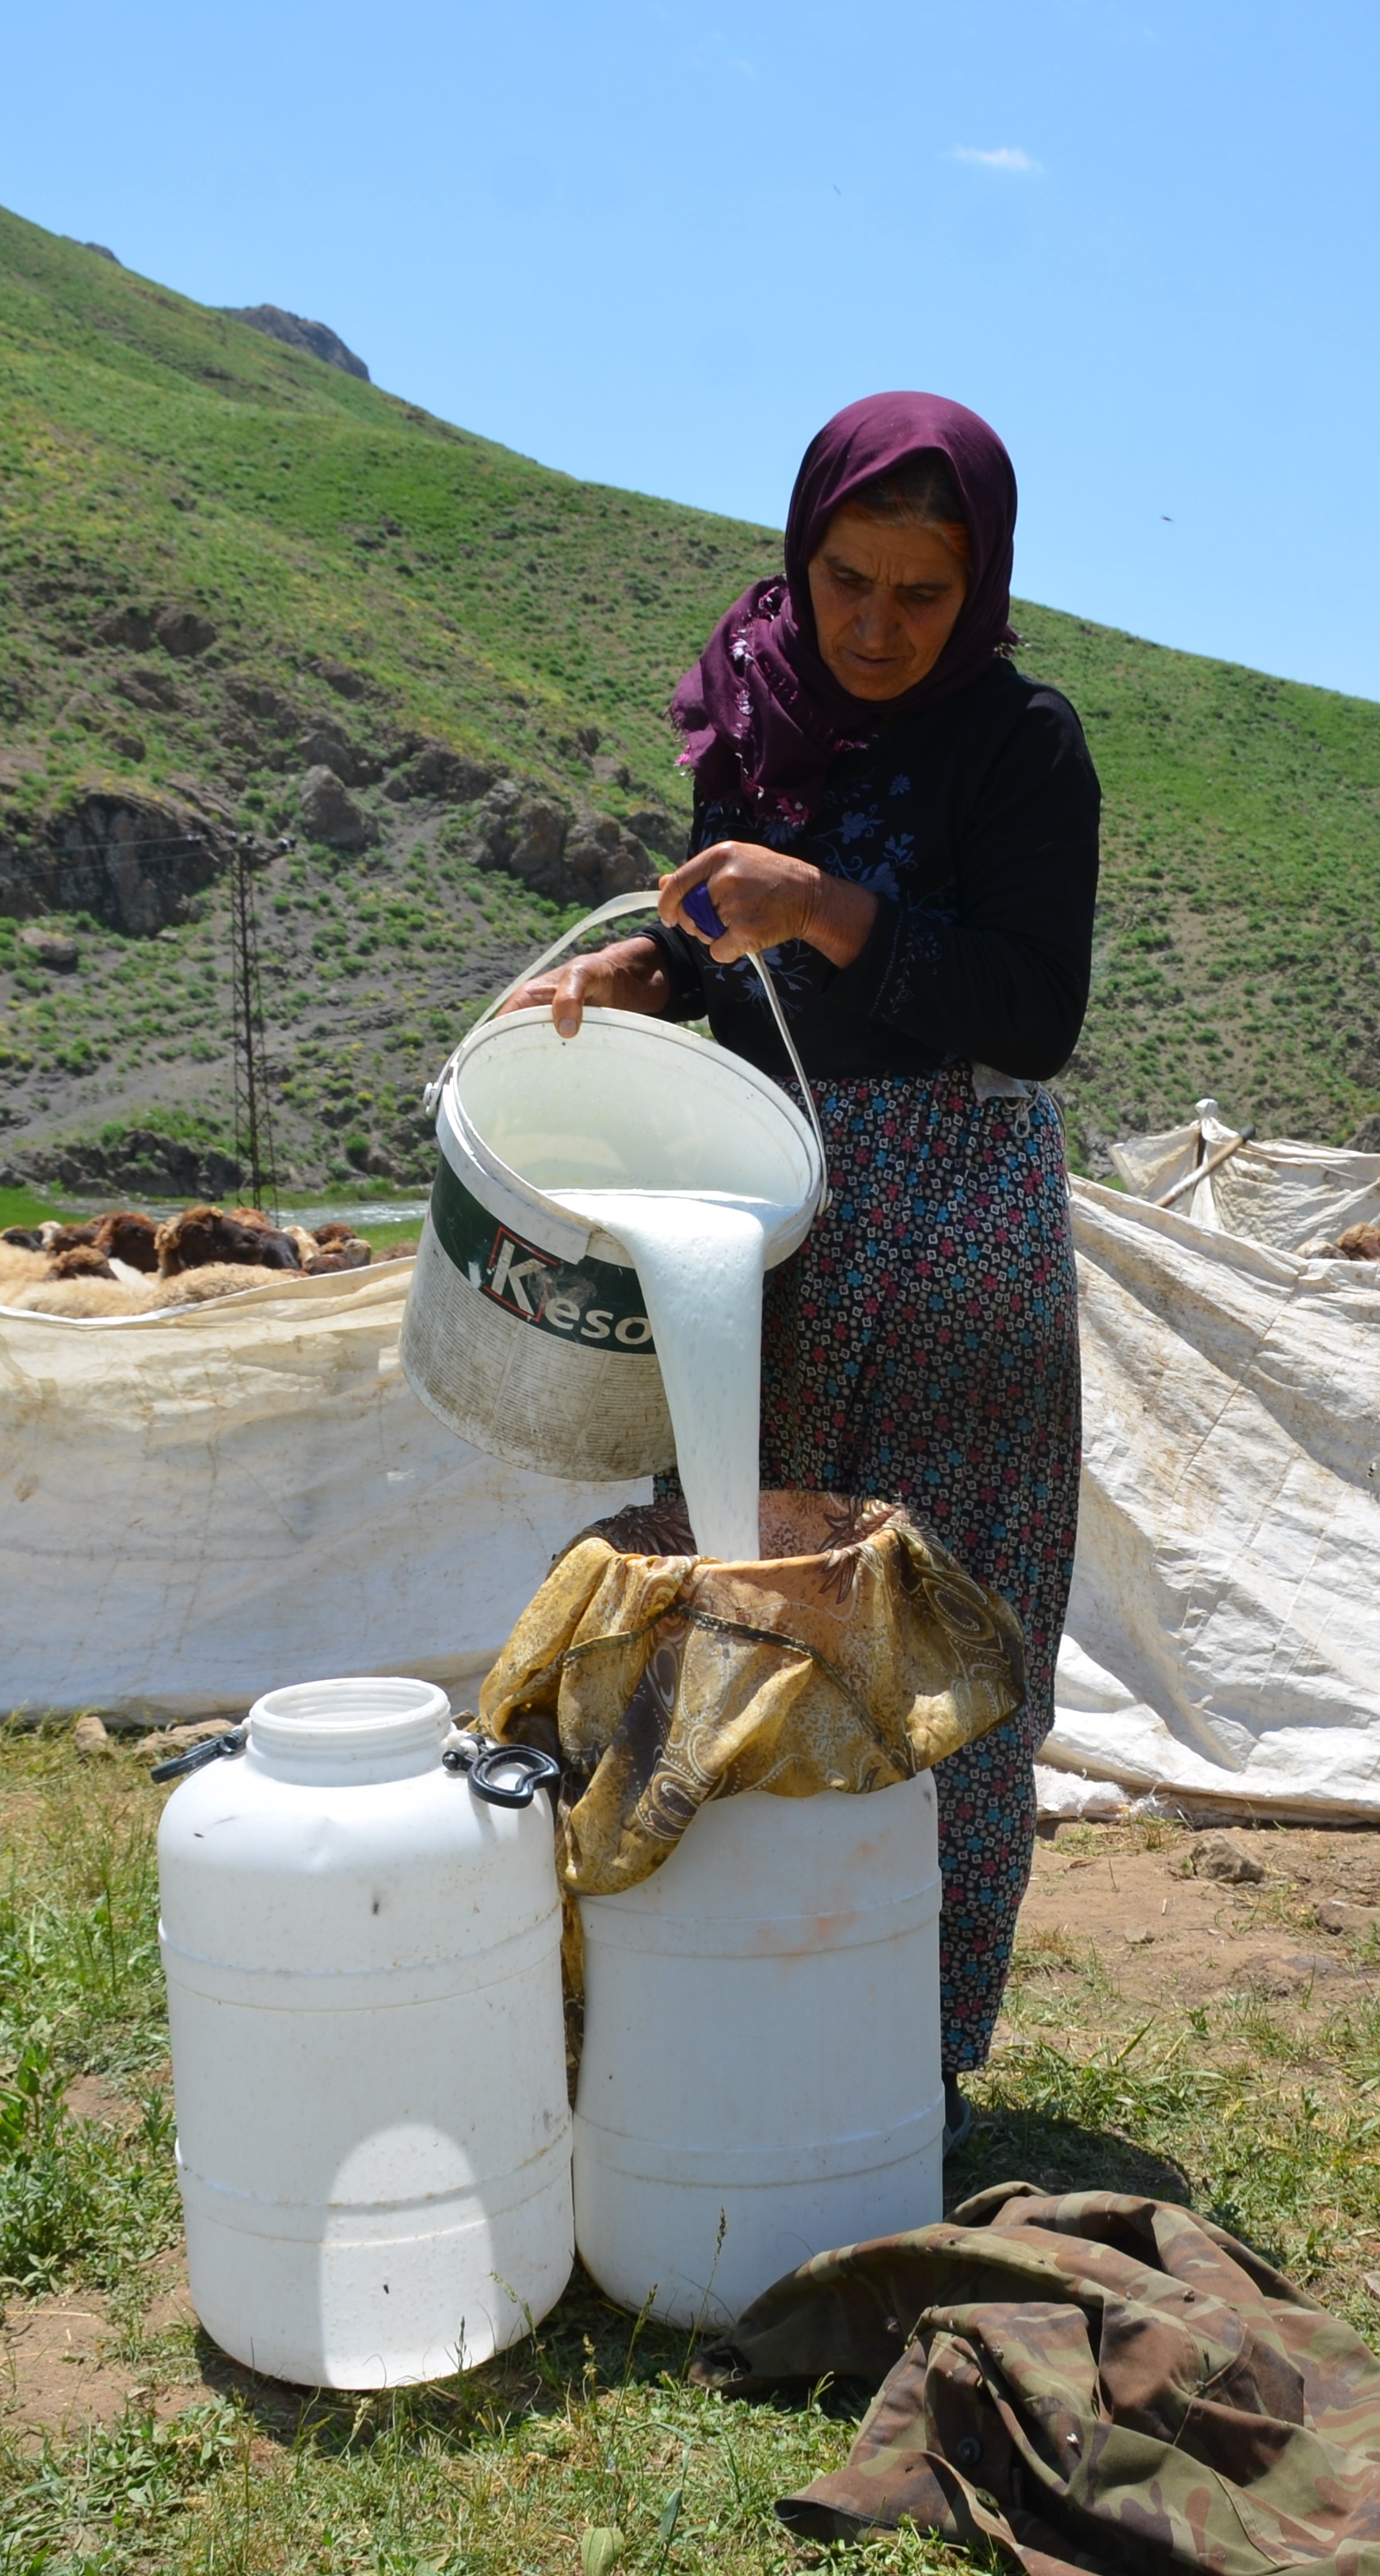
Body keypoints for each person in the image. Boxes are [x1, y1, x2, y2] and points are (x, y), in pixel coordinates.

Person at [496, 393, 1099, 2138]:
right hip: (762, 1217)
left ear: (976, 586)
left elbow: (1032, 1012)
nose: (880, 625)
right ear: (800, 554)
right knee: (724, 1600)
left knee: (938, 1624)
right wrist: (635, 970)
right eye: (851, 579)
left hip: (958, 1216)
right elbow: (717, 960)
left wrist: (829, 902)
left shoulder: (1021, 749)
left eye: (925, 591)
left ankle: (905, 2056)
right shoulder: (753, 716)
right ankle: (707, 2006)